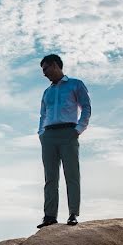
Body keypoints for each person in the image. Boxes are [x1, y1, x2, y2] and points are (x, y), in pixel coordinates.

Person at [36, 54, 92, 228]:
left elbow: (86, 108)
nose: (44, 73)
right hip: (49, 135)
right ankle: (49, 216)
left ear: (54, 65)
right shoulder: (47, 92)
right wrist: (41, 133)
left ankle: (73, 214)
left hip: (69, 132)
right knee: (50, 178)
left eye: (45, 69)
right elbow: (43, 114)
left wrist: (78, 129)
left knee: (72, 175)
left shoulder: (75, 84)